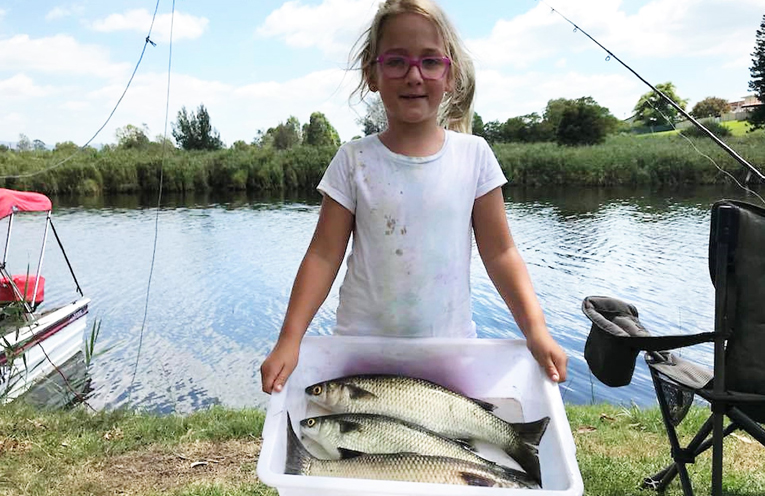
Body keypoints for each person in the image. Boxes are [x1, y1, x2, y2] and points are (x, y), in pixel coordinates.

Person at [260, 0, 567, 394]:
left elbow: (501, 254)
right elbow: (322, 256)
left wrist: (536, 330)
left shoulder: (475, 157)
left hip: (448, 351)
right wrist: (290, 338)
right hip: (361, 354)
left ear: (450, 74)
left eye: (429, 62)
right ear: (373, 73)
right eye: (396, 61)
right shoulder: (353, 160)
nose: (414, 76)